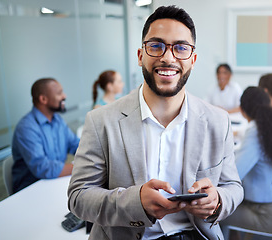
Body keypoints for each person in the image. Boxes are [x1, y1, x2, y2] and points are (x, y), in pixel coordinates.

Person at [68, 5, 243, 240]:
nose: (168, 57)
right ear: (141, 56)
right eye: (156, 46)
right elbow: (79, 197)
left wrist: (218, 200)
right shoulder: (101, 121)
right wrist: (135, 201)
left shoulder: (218, 121)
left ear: (193, 59)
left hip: (194, 234)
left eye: (180, 48)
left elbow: (234, 187)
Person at [221, 87, 272, 240]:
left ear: (242, 110)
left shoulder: (256, 131)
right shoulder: (271, 124)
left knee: (213, 213)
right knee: (227, 203)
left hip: (269, 215)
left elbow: (235, 173)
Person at [12, 78, 79, 193]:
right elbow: (42, 167)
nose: (64, 96)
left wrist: (97, 154)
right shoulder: (26, 128)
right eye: (59, 93)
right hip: (32, 191)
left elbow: (75, 144)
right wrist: (81, 168)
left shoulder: (57, 120)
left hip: (55, 183)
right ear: (43, 99)